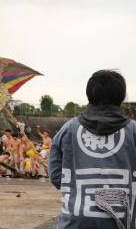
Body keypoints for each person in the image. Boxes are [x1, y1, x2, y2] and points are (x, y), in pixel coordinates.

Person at [49, 70, 136, 228]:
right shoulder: (133, 131)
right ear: (121, 96)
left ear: (90, 94)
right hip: (122, 221)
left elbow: (55, 176)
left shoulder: (68, 129)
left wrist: (75, 188)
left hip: (74, 222)